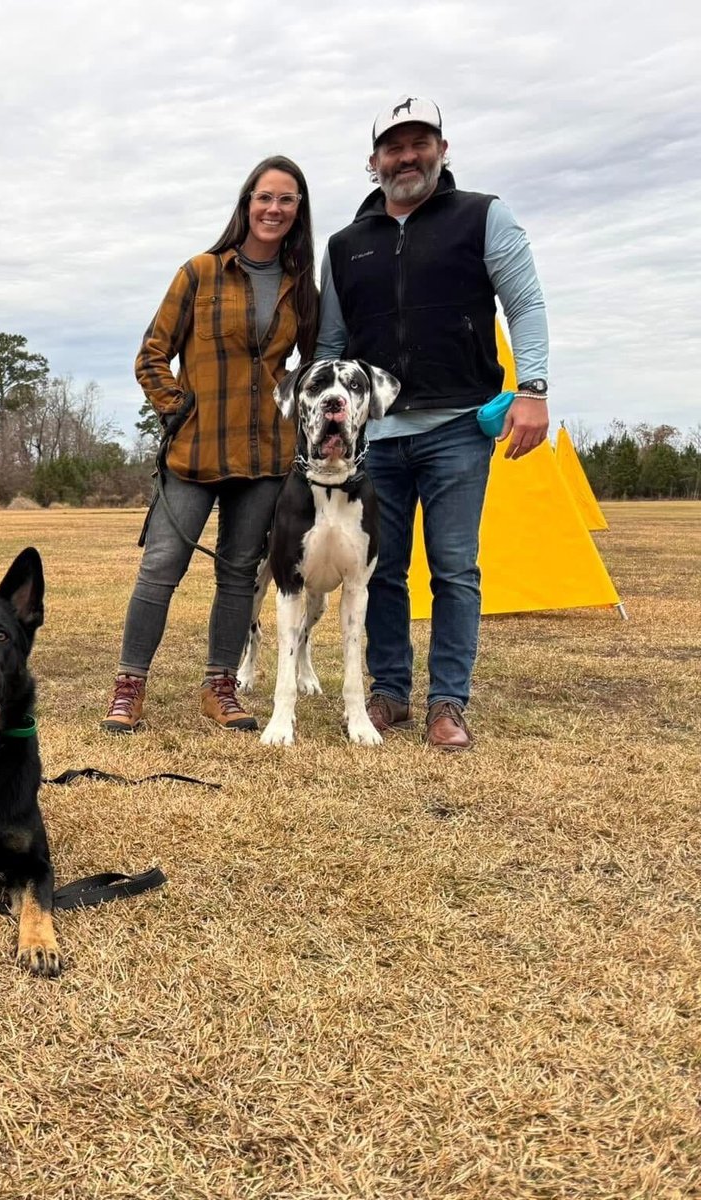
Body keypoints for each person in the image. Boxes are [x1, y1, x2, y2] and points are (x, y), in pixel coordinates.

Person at [317, 97, 549, 752]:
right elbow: (332, 344)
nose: (407, 156)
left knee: (454, 568)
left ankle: (448, 701)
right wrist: (329, 426)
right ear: (373, 162)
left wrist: (531, 391)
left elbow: (526, 305)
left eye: (420, 142)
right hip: (376, 438)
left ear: (443, 150)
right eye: (393, 146)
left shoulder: (483, 216)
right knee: (380, 570)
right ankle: (389, 690)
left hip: (458, 427)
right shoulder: (344, 246)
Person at [103, 156, 320, 734]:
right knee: (161, 567)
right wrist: (178, 408)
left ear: (299, 213)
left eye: (287, 200)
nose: (274, 209)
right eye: (264, 197)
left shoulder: (304, 289)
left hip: (266, 459)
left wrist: (303, 418)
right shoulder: (199, 273)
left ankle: (220, 686)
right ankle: (129, 686)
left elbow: (317, 366)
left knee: (239, 572)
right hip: (193, 454)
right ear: (247, 203)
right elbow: (151, 353)